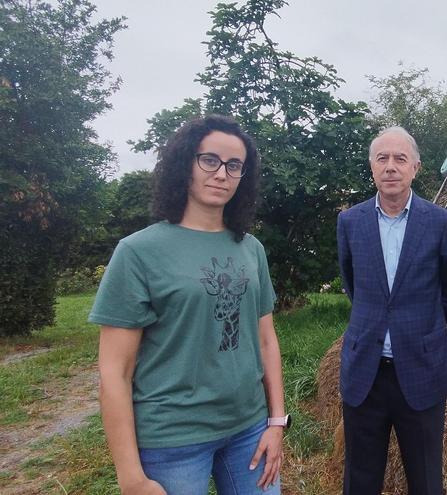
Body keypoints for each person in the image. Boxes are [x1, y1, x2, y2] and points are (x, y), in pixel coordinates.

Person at [90, 115, 287, 495]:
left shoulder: (250, 249)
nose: (222, 174)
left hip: (249, 429)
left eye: (234, 166)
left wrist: (276, 422)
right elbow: (115, 371)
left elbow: (266, 341)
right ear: (186, 163)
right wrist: (130, 477)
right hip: (172, 441)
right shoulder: (138, 252)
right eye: (209, 160)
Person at [336, 126, 447, 494]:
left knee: (426, 481)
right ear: (372, 167)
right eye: (382, 158)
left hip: (421, 371)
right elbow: (353, 284)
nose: (390, 167)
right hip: (365, 374)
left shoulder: (441, 223)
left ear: (415, 167)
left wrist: (421, 328)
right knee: (360, 481)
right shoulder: (350, 222)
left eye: (400, 159)